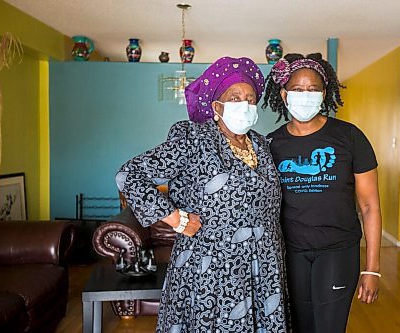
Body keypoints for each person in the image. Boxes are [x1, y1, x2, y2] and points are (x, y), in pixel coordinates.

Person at [116, 56, 290, 333]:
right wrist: (175, 218)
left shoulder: (261, 143)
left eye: (250, 98)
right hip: (213, 265)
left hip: (265, 264)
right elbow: (129, 175)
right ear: (216, 107)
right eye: (234, 97)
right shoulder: (194, 138)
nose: (244, 104)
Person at [262, 53, 382, 333]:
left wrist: (372, 268)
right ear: (284, 94)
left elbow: (369, 206)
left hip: (337, 251)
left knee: (329, 327)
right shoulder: (272, 144)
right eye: (298, 90)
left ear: (325, 94)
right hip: (291, 253)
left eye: (313, 90)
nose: (306, 96)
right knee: (301, 327)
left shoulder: (349, 137)